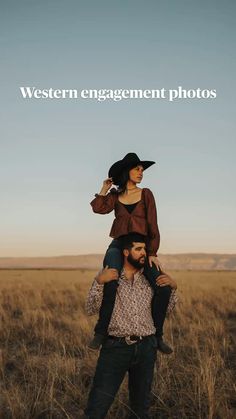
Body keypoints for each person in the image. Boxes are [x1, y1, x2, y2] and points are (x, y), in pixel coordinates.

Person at [84, 233, 177, 419]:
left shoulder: (149, 281)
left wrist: (173, 288)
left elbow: (167, 311)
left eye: (145, 249)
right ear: (126, 252)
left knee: (140, 408)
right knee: (98, 406)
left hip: (146, 348)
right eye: (138, 249)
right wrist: (99, 282)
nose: (144, 253)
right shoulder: (111, 278)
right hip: (115, 348)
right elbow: (90, 308)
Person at [89, 152, 172, 354]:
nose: (141, 172)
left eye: (142, 169)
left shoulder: (146, 194)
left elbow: (153, 223)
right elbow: (98, 209)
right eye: (137, 169)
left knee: (163, 287)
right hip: (118, 245)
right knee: (110, 279)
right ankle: (100, 332)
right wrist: (104, 188)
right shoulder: (115, 196)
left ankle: (158, 335)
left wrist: (152, 252)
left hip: (141, 247)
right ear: (127, 172)